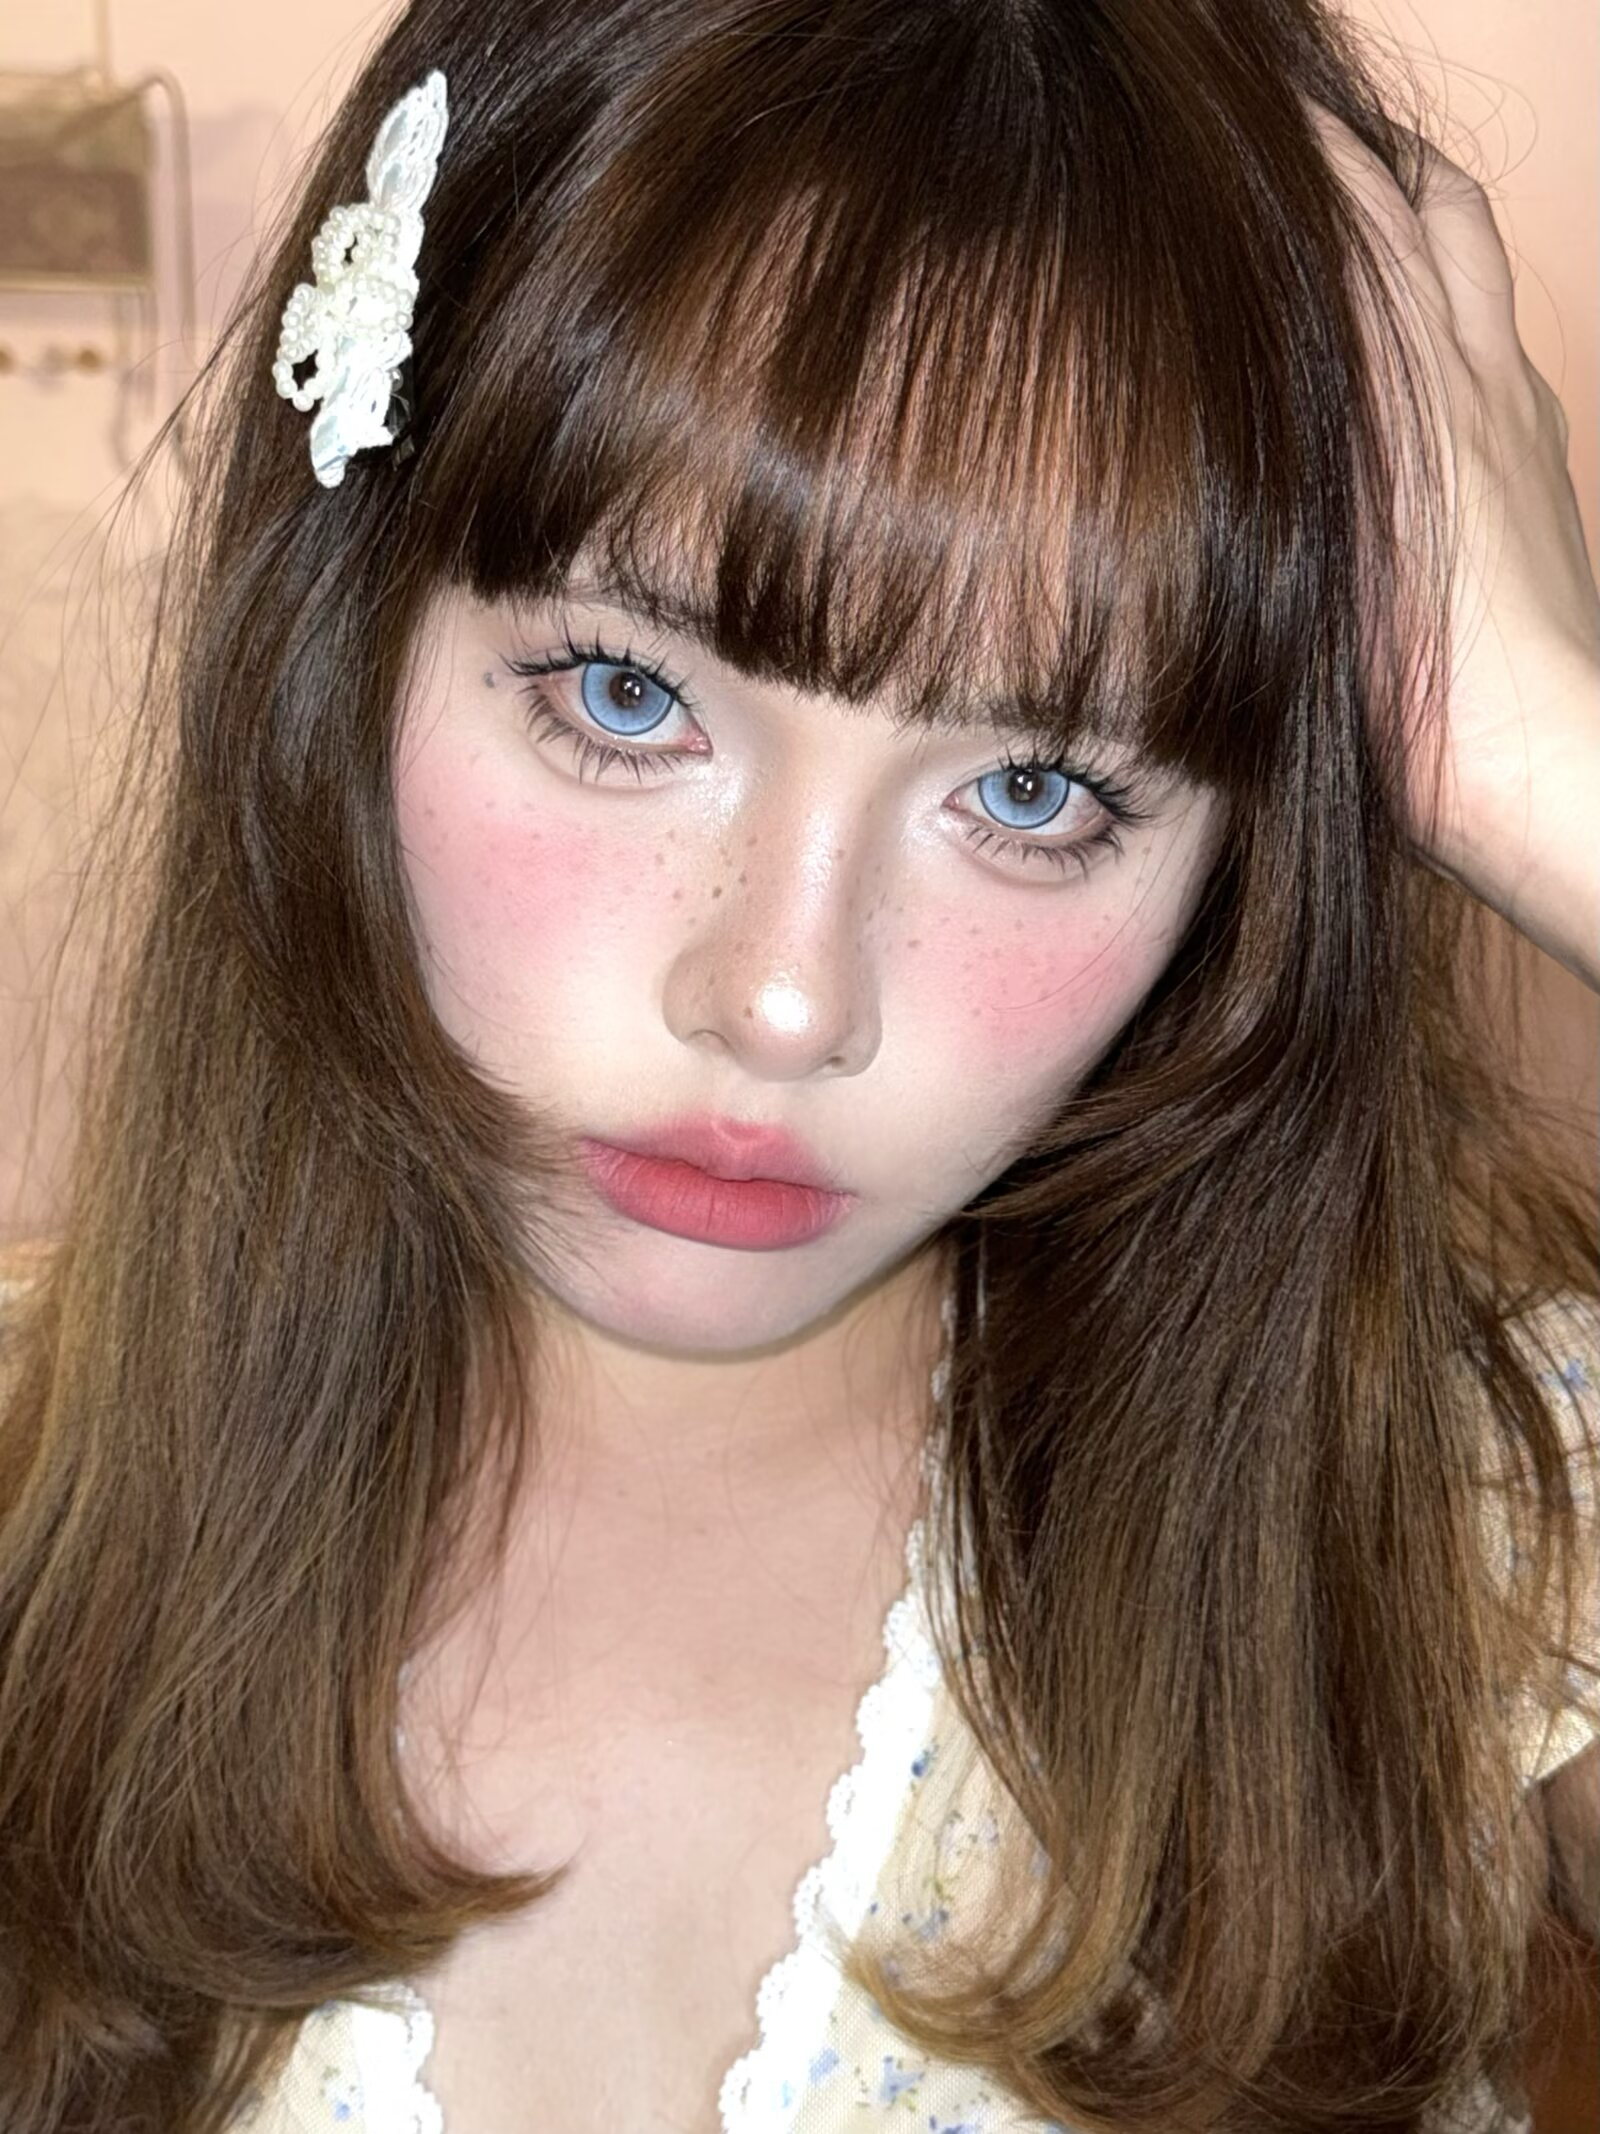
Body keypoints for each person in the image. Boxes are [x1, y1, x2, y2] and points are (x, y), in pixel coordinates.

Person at [0, 1, 1596, 2128]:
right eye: (623, 695)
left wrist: (1550, 775)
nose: (781, 1000)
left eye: (1032, 788)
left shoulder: (1464, 1513)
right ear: (343, 643)